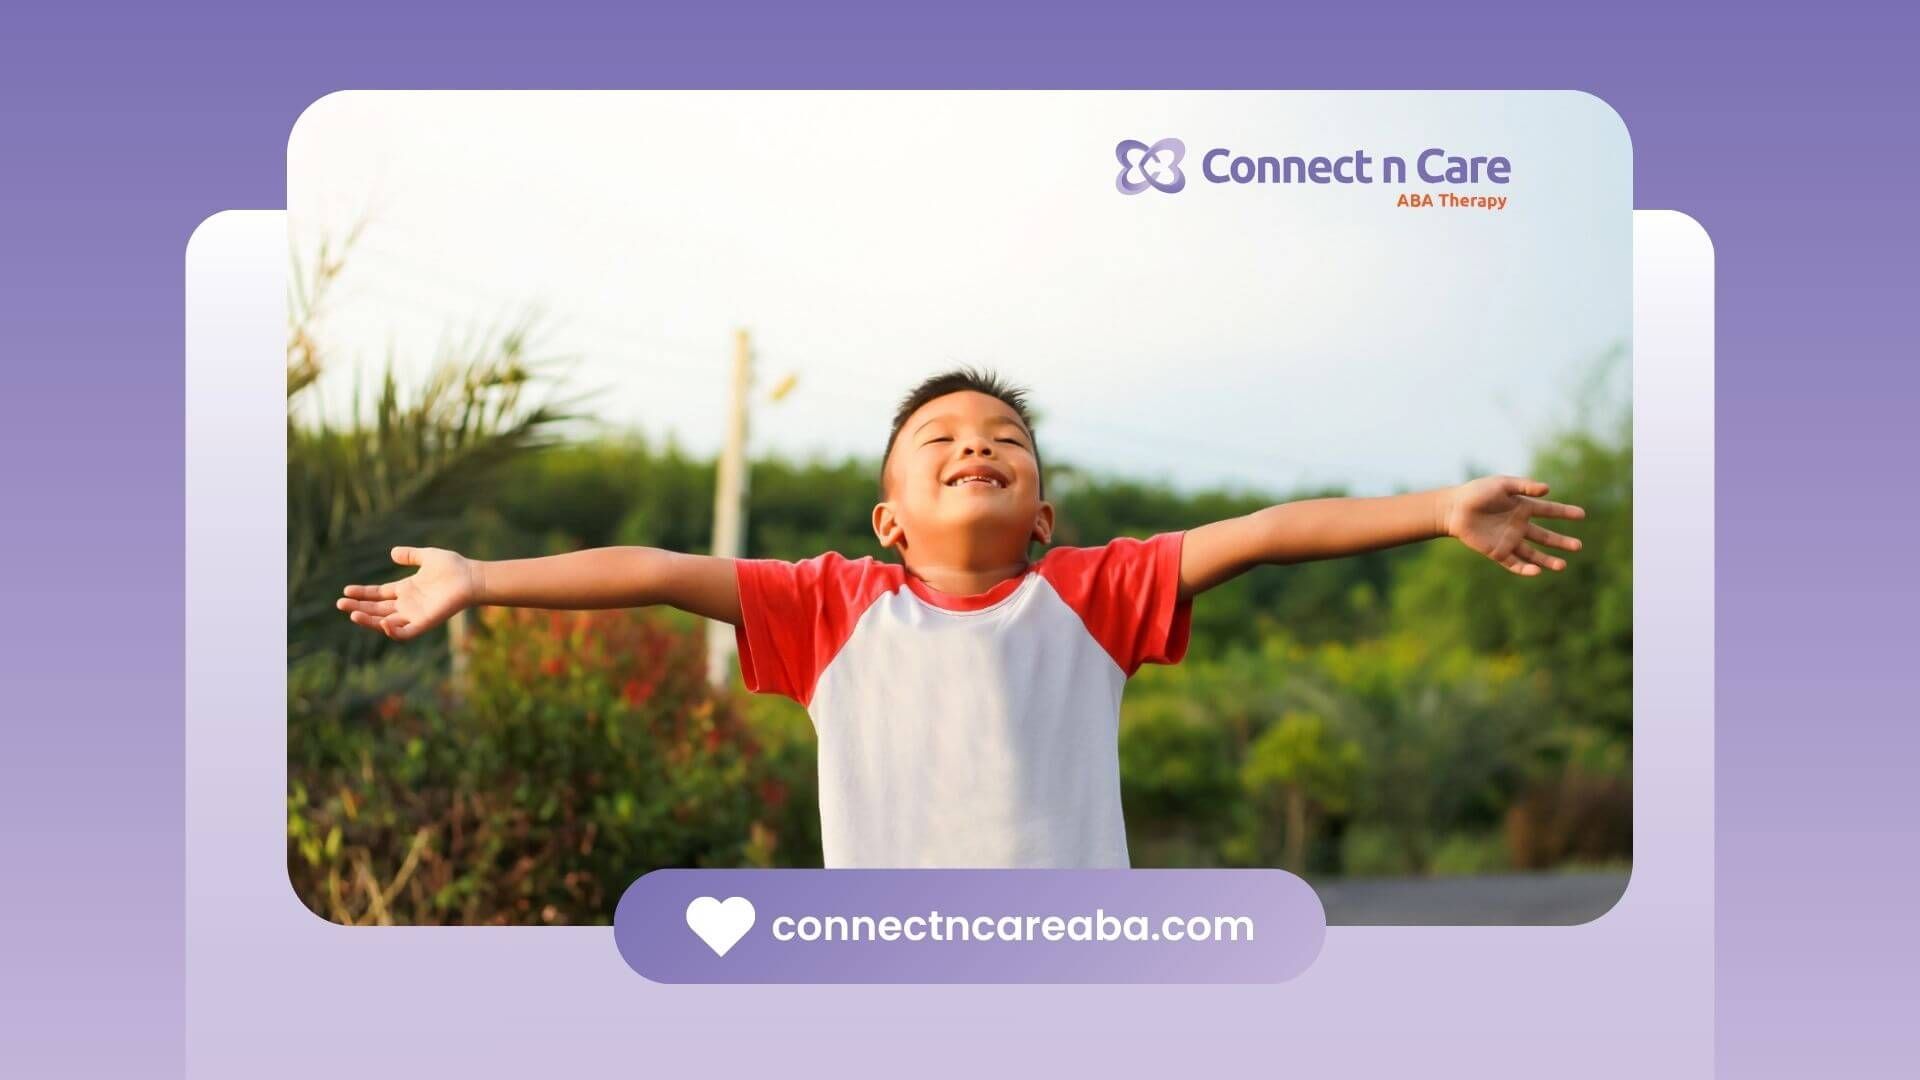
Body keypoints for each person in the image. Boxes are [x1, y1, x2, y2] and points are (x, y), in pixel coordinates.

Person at [339, 368, 1585, 869]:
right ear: (887, 519)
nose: (974, 445)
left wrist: (1435, 509)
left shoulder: (1093, 593)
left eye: (1005, 441)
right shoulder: (830, 607)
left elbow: (1260, 534)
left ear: (1044, 514)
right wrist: (482, 577)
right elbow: (662, 568)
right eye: (939, 439)